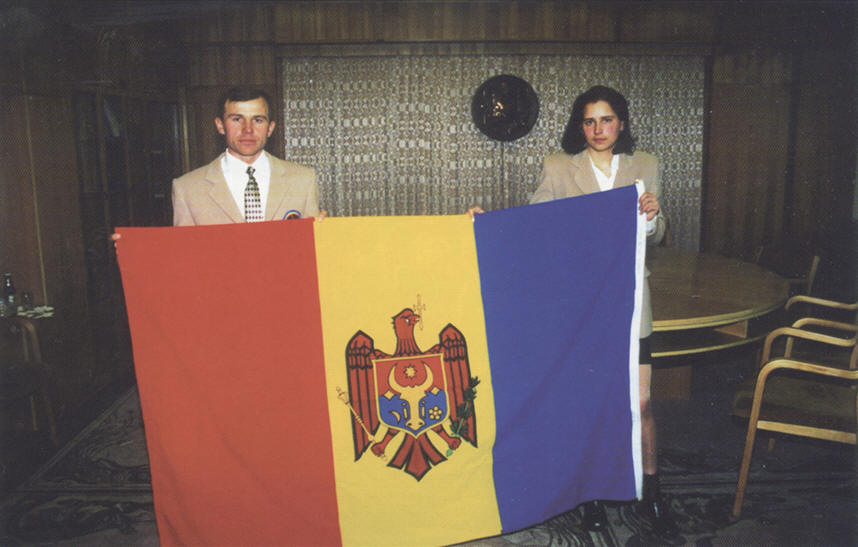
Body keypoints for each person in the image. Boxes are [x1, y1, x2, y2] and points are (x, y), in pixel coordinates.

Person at [530, 85, 676, 537]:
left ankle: (651, 490)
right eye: (590, 121)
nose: (598, 129)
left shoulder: (644, 164)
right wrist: (485, 222)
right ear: (581, 126)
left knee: (642, 401)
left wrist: (651, 216)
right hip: (583, 304)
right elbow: (535, 222)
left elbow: (657, 234)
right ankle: (590, 493)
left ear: (621, 124)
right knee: (591, 402)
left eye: (607, 120)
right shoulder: (559, 167)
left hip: (631, 300)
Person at [172, 87, 323, 226]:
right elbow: (183, 247)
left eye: (257, 120)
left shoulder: (302, 181)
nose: (248, 129)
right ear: (220, 125)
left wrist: (322, 233)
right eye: (237, 119)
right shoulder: (188, 189)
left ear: (270, 128)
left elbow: (313, 244)